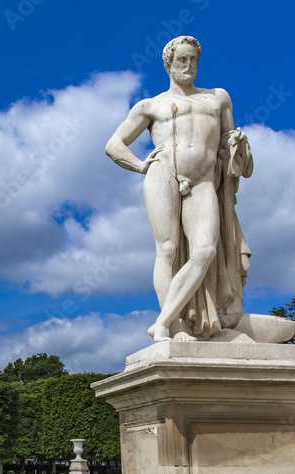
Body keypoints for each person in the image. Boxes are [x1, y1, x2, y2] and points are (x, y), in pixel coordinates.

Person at [106, 36, 253, 341]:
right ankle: (174, 327)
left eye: (193, 60)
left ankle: (162, 320)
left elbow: (227, 141)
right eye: (181, 61)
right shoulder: (151, 105)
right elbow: (114, 145)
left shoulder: (217, 98)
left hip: (203, 181)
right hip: (164, 174)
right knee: (168, 251)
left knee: (205, 250)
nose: (188, 66)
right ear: (168, 65)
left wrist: (237, 146)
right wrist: (140, 165)